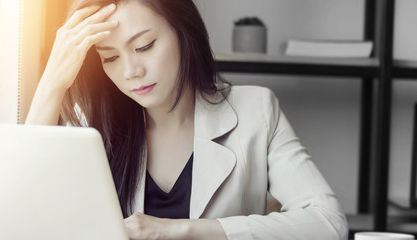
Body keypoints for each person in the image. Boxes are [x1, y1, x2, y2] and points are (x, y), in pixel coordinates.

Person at [26, 0, 348, 239]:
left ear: (183, 32)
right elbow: (22, 214)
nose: (130, 72)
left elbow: (328, 222)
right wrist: (52, 83)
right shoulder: (94, 126)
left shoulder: (256, 110)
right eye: (110, 57)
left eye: (144, 45)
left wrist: (184, 231)